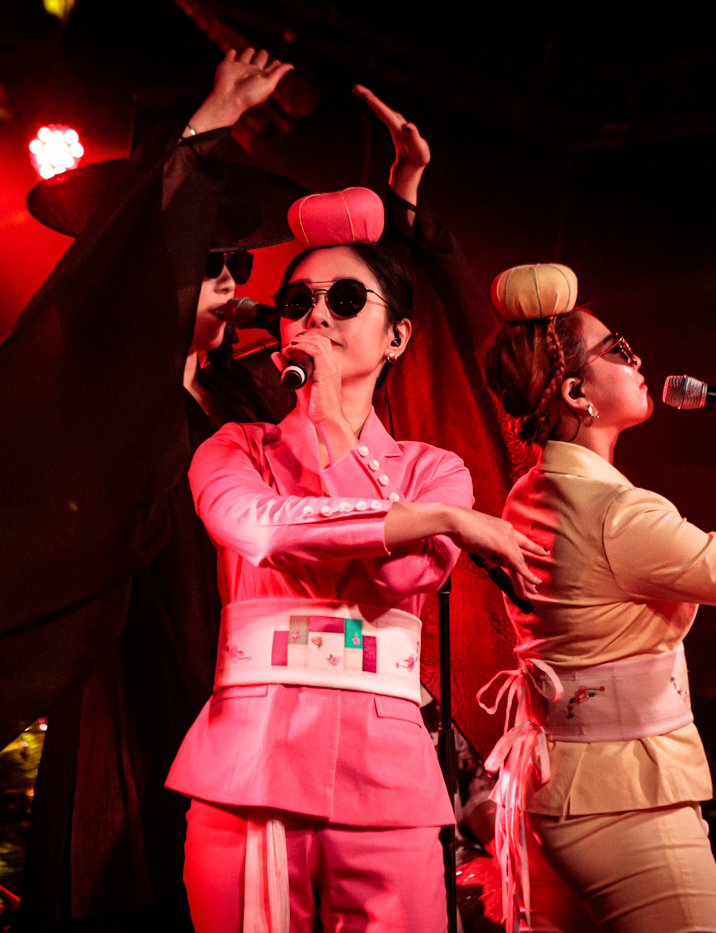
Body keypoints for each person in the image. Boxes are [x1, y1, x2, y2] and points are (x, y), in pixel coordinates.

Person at [0, 49, 307, 929]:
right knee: (140, 878)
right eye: (206, 255)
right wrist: (204, 127)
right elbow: (131, 270)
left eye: (236, 257)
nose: (230, 276)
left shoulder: (247, 393)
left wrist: (401, 205)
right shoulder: (110, 394)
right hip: (140, 674)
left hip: (240, 669)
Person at [166, 186, 543, 931]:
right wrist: (440, 520)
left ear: (397, 336)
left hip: (388, 777)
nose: (316, 317)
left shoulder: (434, 469)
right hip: (250, 767)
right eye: (297, 301)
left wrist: (336, 421)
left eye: (344, 299)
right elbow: (262, 530)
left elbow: (403, 575)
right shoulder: (235, 447)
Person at [477, 272, 716, 933]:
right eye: (618, 350)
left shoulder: (530, 492)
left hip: (549, 785)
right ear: (576, 393)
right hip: (625, 798)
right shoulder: (619, 513)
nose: (637, 361)